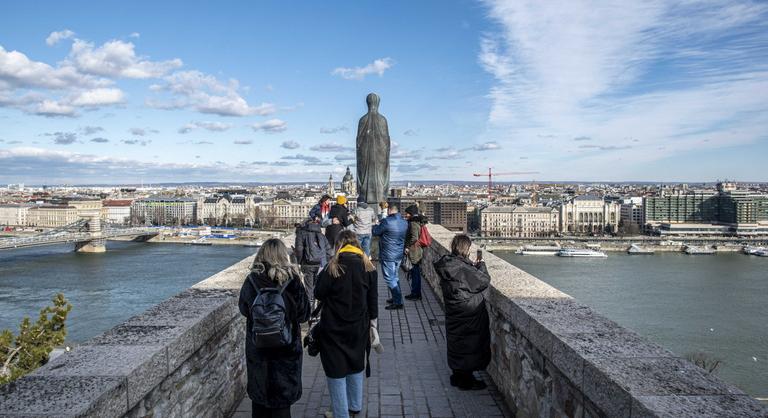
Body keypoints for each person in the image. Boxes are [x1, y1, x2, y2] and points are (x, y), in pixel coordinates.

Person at [238, 239, 311, 417]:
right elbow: (304, 314)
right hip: (285, 352)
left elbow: (243, 308)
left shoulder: (252, 280)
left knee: (260, 405)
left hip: (259, 351)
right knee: (282, 407)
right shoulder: (292, 280)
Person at [315, 230, 378, 418]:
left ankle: (340, 413)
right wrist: (373, 325)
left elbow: (319, 293)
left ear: (339, 245)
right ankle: (355, 404)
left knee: (336, 369)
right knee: (356, 363)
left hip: (333, 327)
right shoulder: (369, 268)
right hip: (359, 326)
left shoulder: (332, 267)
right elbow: (373, 303)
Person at [433, 234, 491, 391]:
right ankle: (466, 380)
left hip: (454, 312)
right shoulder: (462, 268)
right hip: (468, 313)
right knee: (469, 344)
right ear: (466, 249)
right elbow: (483, 281)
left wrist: (471, 266)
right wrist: (481, 265)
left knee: (457, 342)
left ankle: (457, 376)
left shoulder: (449, 264)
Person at [372, 204, 407, 310]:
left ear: (390, 211)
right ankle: (396, 297)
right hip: (398, 254)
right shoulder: (404, 222)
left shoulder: (387, 221)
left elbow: (375, 232)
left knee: (389, 278)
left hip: (388, 254)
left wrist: (374, 224)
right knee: (395, 277)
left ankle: (398, 302)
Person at [294, 217, 333, 310]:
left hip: (307, 264)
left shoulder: (301, 233)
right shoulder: (322, 235)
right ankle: (318, 311)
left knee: (309, 289)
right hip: (320, 265)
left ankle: (309, 311)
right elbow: (329, 252)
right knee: (319, 287)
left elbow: (299, 250)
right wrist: (324, 262)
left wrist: (299, 262)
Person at [403, 205, 427, 301]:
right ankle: (416, 293)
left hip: (414, 251)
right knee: (415, 272)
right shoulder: (419, 221)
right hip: (418, 250)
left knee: (415, 273)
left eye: (407, 213)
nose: (406, 215)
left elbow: (414, 238)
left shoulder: (413, 223)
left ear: (411, 214)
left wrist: (407, 247)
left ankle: (415, 293)